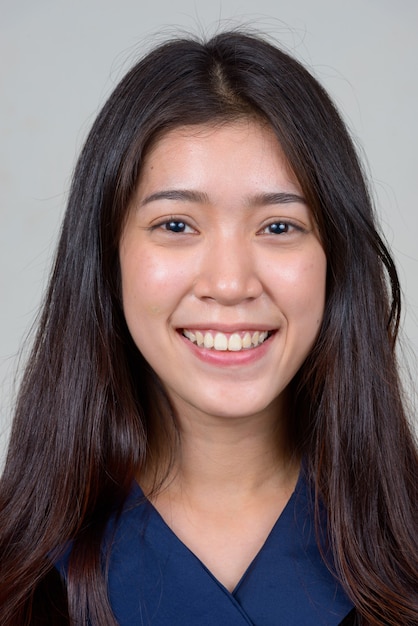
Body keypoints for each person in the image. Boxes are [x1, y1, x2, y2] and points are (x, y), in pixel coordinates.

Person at [0, 30, 417, 626]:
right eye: (175, 225)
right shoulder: (20, 567)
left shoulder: (401, 546)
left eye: (278, 227)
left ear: (336, 259)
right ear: (107, 256)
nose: (229, 283)